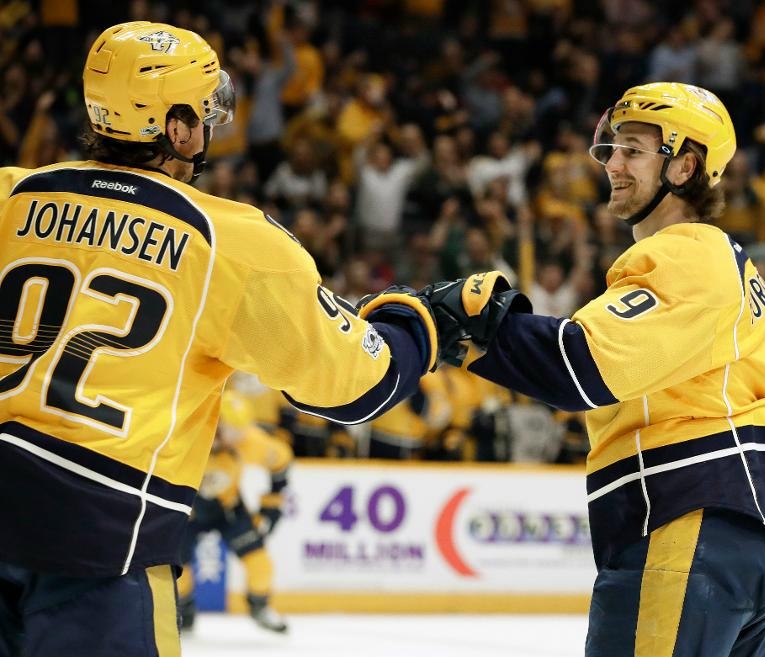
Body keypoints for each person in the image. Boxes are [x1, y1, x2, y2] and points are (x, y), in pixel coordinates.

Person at [0, 22, 446, 656]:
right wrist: (420, 326)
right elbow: (353, 388)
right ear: (178, 129)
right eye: (205, 111)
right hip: (99, 543)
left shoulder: (8, 194)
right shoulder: (229, 240)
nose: (213, 125)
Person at [391, 83, 765, 656]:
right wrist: (472, 347)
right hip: (747, 538)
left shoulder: (687, 254)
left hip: (689, 523)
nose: (611, 163)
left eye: (633, 150)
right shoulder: (725, 272)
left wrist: (475, 316)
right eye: (612, 149)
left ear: (685, 166)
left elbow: (583, 366)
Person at [177, 390, 292, 634]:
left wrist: (271, 506)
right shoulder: (185, 437)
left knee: (259, 562)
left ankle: (259, 606)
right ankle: (183, 609)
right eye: (233, 430)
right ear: (216, 423)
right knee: (175, 567)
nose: (239, 437)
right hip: (188, 509)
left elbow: (281, 461)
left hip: (228, 509)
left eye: (241, 430)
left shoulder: (248, 441)